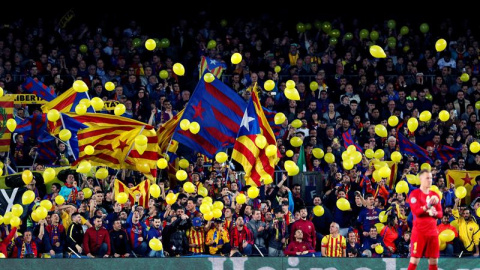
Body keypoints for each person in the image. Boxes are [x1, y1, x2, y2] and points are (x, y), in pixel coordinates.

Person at [407, 169, 443, 270]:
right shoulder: (414, 194)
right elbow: (417, 212)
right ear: (420, 179)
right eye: (427, 178)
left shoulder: (435, 195)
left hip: (433, 233)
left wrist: (436, 213)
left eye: (431, 178)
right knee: (414, 260)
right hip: (419, 232)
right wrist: (428, 205)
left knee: (434, 261)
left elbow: (440, 214)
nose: (430, 180)